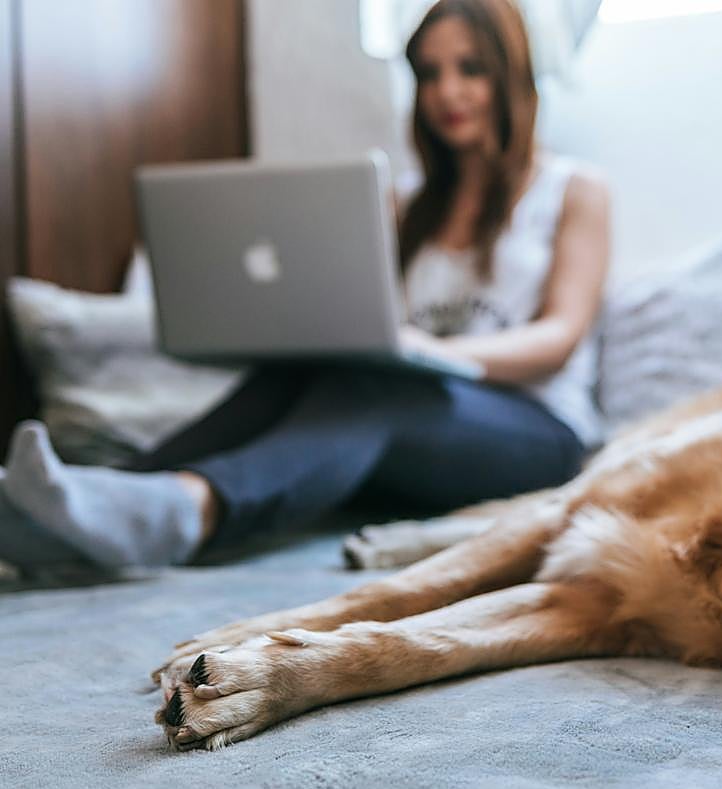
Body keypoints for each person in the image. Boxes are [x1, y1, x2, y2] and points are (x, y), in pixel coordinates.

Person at [0, 0, 609, 577]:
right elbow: (369, 315)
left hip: (536, 432)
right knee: (311, 375)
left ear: (512, 74)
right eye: (429, 74)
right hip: (417, 414)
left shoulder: (573, 189)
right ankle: (97, 497)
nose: (447, 92)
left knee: (374, 391)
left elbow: (560, 335)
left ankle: (190, 508)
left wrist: (437, 353)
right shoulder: (405, 206)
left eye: (469, 69)